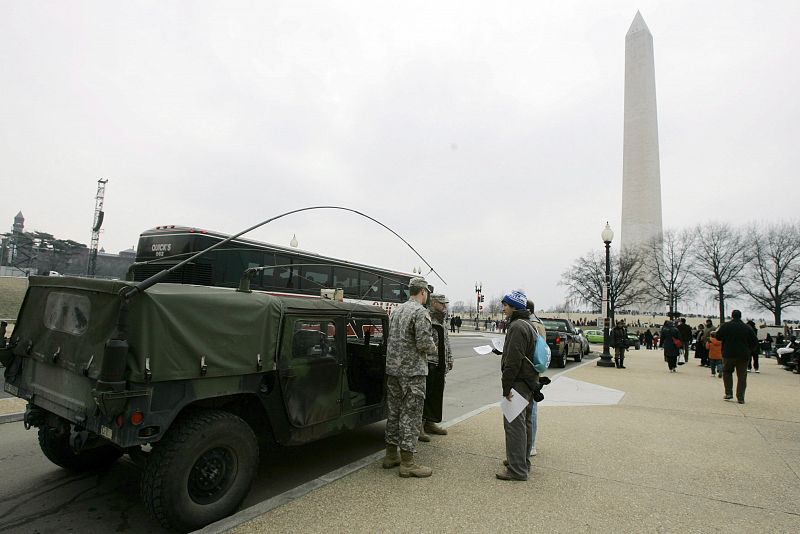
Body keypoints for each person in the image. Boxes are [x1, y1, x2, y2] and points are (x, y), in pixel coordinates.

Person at [382, 277, 438, 477]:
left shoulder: (397, 311)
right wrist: (435, 348)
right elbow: (424, 343)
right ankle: (407, 462)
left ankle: (391, 455)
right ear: (422, 291)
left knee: (394, 412)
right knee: (411, 415)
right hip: (412, 372)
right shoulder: (420, 312)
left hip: (394, 370)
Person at [495, 290, 537, 481]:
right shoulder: (528, 324)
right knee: (525, 424)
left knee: (514, 426)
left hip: (518, 382)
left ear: (514, 307)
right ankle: (522, 462)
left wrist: (506, 387)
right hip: (528, 381)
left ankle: (517, 469)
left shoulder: (517, 327)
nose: (503, 308)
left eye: (505, 305)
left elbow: (513, 361)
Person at [422, 293, 453, 438]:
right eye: (442, 303)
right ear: (434, 303)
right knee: (425, 396)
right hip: (429, 363)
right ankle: (419, 426)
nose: (444, 306)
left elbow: (446, 341)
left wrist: (449, 359)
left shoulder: (443, 319)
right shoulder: (426, 317)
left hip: (440, 363)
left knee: (435, 395)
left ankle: (430, 422)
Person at [715, 310, 758, 404]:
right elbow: (754, 341)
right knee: (742, 376)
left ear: (732, 316)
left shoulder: (726, 326)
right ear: (740, 316)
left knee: (727, 372)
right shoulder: (747, 327)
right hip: (743, 354)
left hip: (728, 353)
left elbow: (718, 336)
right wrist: (749, 350)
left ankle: (729, 393)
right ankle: (741, 397)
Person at [525, 299, 546, 458]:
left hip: (528, 372)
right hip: (535, 371)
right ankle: (529, 444)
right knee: (531, 410)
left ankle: (529, 444)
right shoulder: (539, 324)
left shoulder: (531, 326)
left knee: (529, 411)